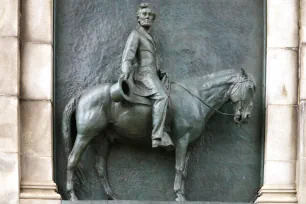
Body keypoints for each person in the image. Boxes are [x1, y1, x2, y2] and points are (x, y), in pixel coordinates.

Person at [120, 3, 174, 150]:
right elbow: (128, 56)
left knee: (170, 96)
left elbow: (152, 60)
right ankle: (157, 137)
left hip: (152, 74)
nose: (148, 17)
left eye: (150, 16)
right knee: (162, 97)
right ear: (138, 19)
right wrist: (125, 70)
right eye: (144, 15)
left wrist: (159, 72)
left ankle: (166, 130)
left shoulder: (150, 38)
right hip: (143, 74)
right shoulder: (135, 34)